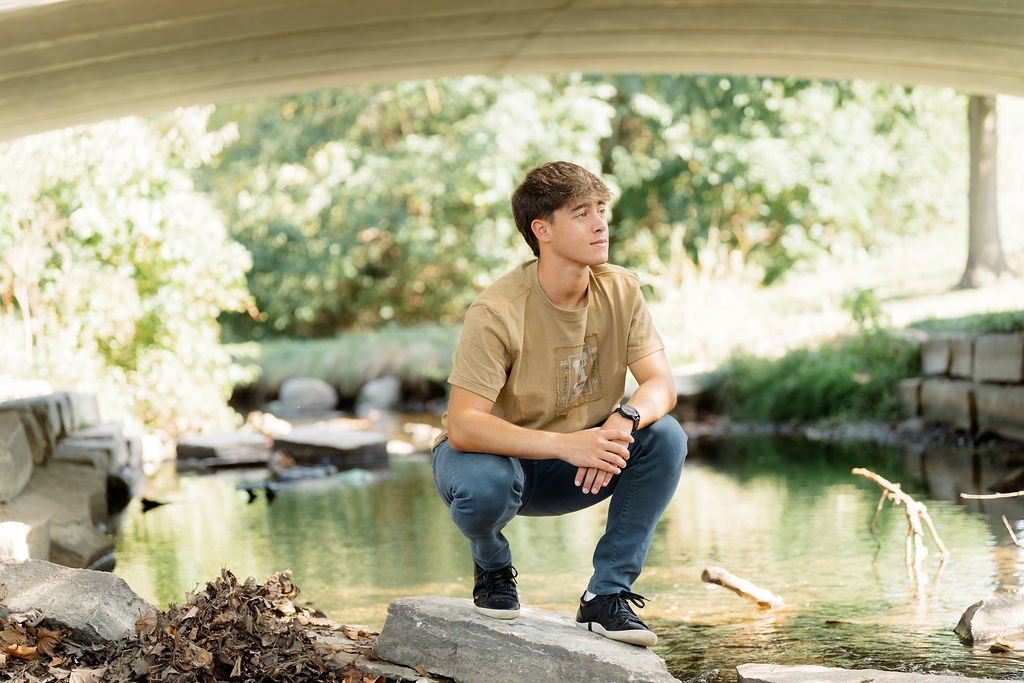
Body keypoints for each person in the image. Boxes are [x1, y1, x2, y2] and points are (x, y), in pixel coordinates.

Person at [431, 160, 687, 647]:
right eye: (581, 213)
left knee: (665, 436)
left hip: (575, 463)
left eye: (601, 210)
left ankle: (606, 596)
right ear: (541, 229)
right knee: (486, 486)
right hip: (486, 463)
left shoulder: (620, 288)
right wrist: (566, 444)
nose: (599, 223)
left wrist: (623, 419)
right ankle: (492, 562)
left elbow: (661, 385)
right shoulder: (497, 311)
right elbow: (464, 426)